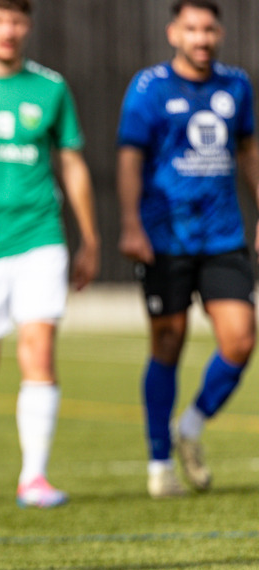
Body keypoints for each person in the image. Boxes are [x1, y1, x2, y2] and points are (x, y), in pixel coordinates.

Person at [0, 0, 100, 508]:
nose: (8, 30)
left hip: (40, 237)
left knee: (38, 350)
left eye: (18, 20)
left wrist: (89, 239)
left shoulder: (50, 88)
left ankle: (34, 476)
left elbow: (72, 164)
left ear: (28, 25)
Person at [117, 0, 258, 498]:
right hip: (165, 238)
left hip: (223, 235)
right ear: (174, 32)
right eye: (192, 28)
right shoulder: (149, 87)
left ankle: (192, 426)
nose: (201, 38)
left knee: (241, 339)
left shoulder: (236, 84)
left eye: (209, 29)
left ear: (218, 34)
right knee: (168, 344)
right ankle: (160, 464)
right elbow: (130, 157)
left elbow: (248, 151)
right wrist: (132, 224)